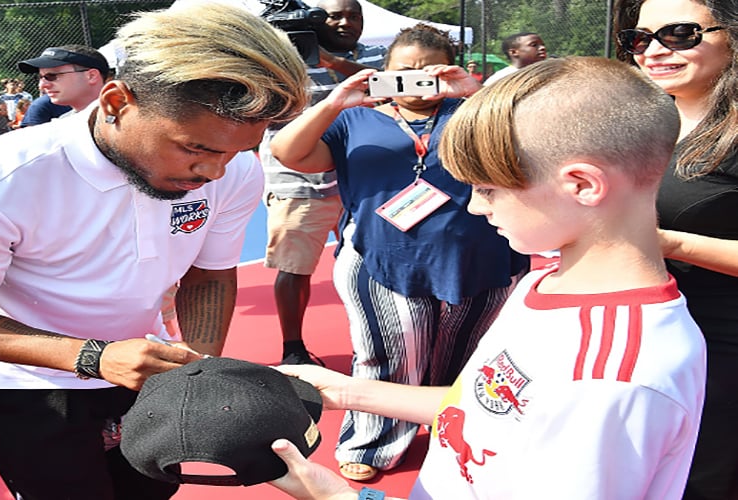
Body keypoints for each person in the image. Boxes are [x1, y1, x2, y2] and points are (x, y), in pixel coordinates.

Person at [0, 5, 308, 500]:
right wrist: (95, 358)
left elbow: (210, 272)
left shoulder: (235, 170)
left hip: (152, 374)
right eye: (193, 148)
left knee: (152, 495)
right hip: (30, 385)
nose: (216, 173)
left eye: (237, 151)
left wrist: (197, 369)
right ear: (116, 101)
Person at [268, 55, 706, 500]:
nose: (476, 206)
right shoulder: (545, 284)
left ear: (582, 185)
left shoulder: (608, 377)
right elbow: (486, 409)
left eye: (488, 188)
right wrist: (347, 392)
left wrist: (337, 497)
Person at [270, 24, 528, 482]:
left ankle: (448, 429)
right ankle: (371, 443)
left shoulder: (475, 112)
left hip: (478, 256)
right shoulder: (354, 118)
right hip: (383, 259)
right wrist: (335, 100)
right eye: (403, 71)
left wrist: (476, 93)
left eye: (429, 70)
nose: (417, 80)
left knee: (463, 355)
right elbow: (289, 152)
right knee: (387, 354)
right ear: (382, 71)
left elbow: (532, 141)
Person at [615, 1, 738, 498]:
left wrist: (664, 242)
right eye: (640, 38)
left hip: (720, 353)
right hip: (641, 340)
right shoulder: (641, 121)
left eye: (681, 34)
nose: (655, 50)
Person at [261, 0, 387, 367]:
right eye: (334, 16)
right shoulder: (284, 60)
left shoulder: (375, 55)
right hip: (297, 182)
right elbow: (266, 112)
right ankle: (294, 348)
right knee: (294, 267)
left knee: (372, 263)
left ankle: (379, 338)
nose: (346, 23)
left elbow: (390, 88)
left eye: (355, 16)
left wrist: (334, 64)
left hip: (362, 179)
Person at [18, 44, 111, 114]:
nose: (42, 85)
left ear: (92, 76)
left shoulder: (123, 119)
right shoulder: (64, 124)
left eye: (52, 76)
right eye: (39, 77)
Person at [482, 31, 547, 85]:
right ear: (513, 52)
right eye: (534, 45)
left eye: (543, 45)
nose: (542, 48)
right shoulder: (501, 78)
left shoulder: (548, 72)